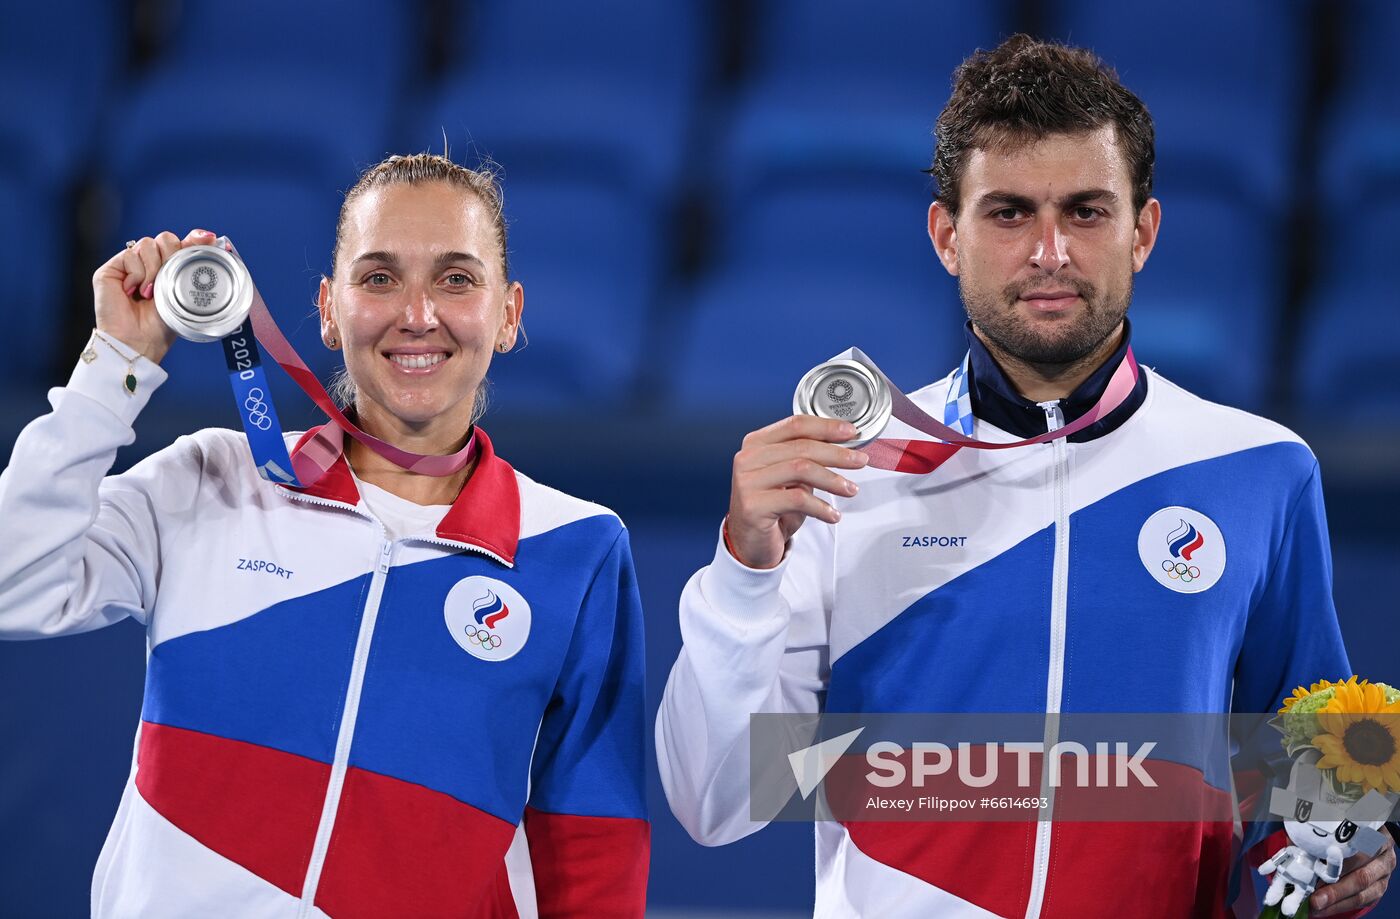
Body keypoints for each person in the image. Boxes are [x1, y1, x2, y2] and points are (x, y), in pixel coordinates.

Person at [655, 35, 1394, 918]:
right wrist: (743, 570)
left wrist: (1338, 853)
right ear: (947, 236)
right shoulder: (850, 473)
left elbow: (1313, 768)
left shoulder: (1260, 470)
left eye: (1086, 211)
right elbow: (713, 801)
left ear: (1143, 232)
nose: (1050, 251)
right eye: (1008, 213)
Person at [0, 153, 649, 917]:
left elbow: (593, 843)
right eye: (378, 278)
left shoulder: (576, 547)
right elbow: (16, 585)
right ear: (328, 308)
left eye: (456, 278)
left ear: (508, 314)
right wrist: (114, 370)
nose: (417, 314)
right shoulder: (211, 478)